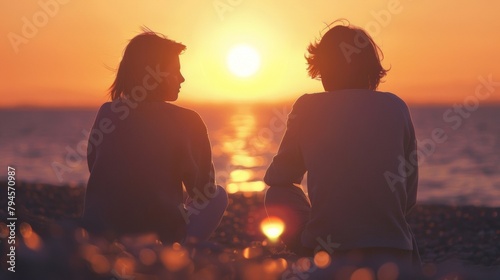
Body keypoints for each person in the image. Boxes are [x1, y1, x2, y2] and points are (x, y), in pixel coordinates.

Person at [264, 20, 421, 277]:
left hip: (329, 248)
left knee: (276, 193)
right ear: (371, 69)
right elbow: (408, 195)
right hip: (393, 248)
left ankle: (306, 252)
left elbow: (278, 179)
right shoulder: (396, 107)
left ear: (322, 69)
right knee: (398, 223)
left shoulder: (307, 107)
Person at [82, 29, 228, 244]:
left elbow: (95, 165)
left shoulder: (108, 112)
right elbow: (201, 192)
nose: (182, 78)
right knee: (217, 196)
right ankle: (181, 254)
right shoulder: (187, 120)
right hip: (158, 238)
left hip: (99, 235)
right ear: (156, 74)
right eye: (175, 71)